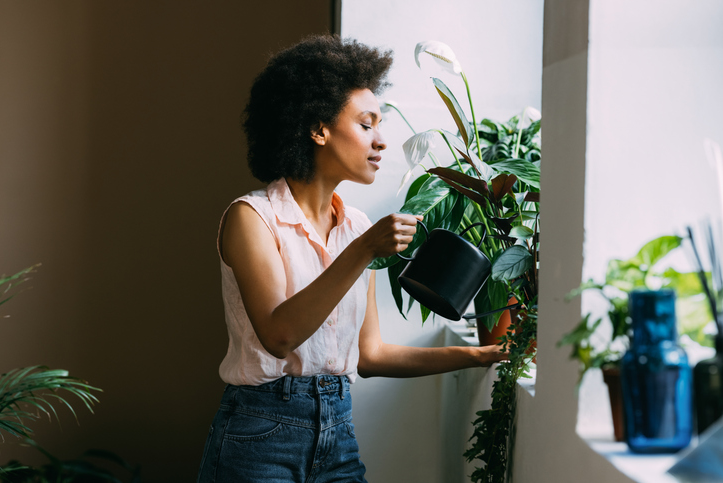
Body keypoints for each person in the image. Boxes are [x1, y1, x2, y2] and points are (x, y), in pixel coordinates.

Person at [196, 35, 506, 483]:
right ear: (318, 129)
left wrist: (479, 355)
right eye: (366, 125)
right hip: (259, 437)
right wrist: (363, 252)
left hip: (339, 435)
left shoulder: (358, 225)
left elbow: (371, 355)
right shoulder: (251, 219)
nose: (380, 141)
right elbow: (279, 335)